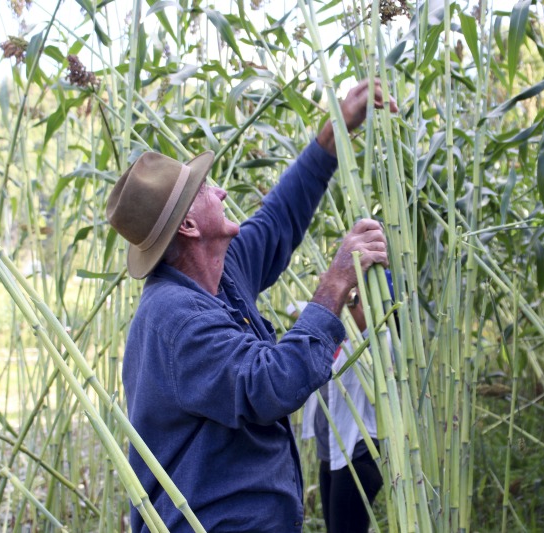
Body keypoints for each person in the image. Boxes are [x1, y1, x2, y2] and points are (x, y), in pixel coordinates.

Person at [106, 80, 397, 532]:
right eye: (204, 189)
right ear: (186, 225)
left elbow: (278, 219)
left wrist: (332, 135)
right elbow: (269, 384)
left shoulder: (219, 273)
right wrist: (337, 281)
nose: (221, 192)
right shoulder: (174, 318)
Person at [301, 272, 394, 533]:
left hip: (359, 454)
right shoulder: (342, 340)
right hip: (332, 453)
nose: (349, 306)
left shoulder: (380, 341)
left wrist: (342, 292)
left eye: (356, 300)